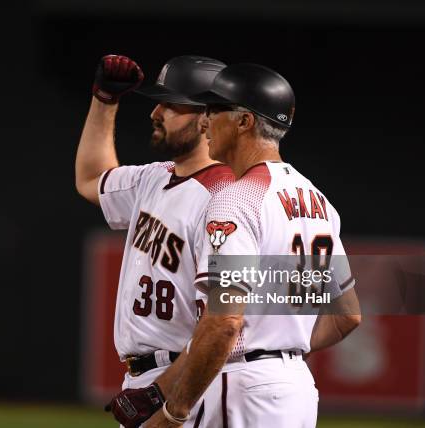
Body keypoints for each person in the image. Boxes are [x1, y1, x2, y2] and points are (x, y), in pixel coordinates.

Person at [143, 64, 361, 428]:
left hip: (243, 387)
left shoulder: (237, 199)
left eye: (215, 110)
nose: (205, 121)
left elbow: (225, 320)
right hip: (296, 388)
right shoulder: (319, 201)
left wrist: (173, 413)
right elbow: (348, 317)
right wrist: (283, 352)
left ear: (244, 121)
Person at [75, 54, 234, 427]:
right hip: (148, 378)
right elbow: (90, 178)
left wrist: (163, 391)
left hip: (189, 384)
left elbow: (226, 322)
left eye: (171, 104)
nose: (155, 112)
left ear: (208, 118)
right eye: (157, 102)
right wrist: (105, 101)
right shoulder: (155, 178)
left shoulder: (228, 200)